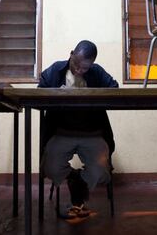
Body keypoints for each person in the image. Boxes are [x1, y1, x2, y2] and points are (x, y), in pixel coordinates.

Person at [38, 40, 118, 218]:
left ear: (92, 64)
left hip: (93, 133)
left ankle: (78, 182)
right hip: (61, 132)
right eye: (76, 65)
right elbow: (39, 92)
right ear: (71, 53)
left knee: (102, 172)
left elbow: (114, 89)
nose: (79, 71)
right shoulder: (56, 70)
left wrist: (93, 94)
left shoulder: (96, 72)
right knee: (50, 168)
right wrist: (56, 94)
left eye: (85, 68)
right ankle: (73, 178)